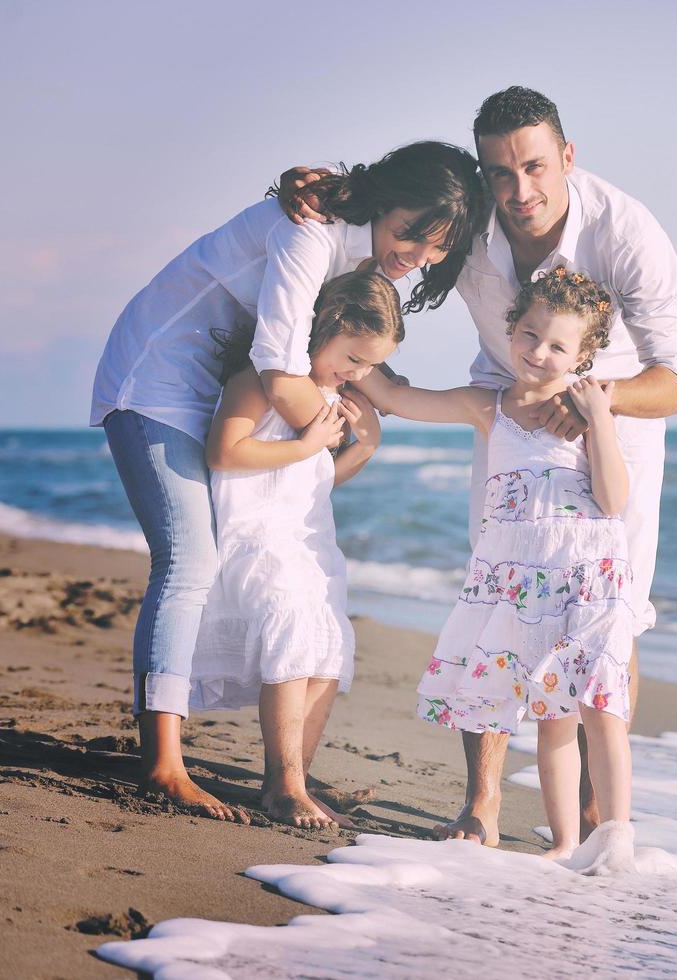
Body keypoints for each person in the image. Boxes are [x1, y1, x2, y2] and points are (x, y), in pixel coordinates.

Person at [280, 87, 677, 847]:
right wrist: (326, 193)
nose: (518, 191)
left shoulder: (627, 232)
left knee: (611, 616)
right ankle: (481, 804)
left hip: (614, 411)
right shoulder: (471, 221)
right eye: (499, 173)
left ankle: (600, 817)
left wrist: (593, 401)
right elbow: (397, 225)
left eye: (534, 167)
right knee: (500, 594)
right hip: (501, 411)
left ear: (567, 157)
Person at [93, 141, 488, 821]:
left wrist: (491, 411)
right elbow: (280, 370)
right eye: (410, 234)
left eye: (434, 250)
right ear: (385, 200)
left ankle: (286, 774)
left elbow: (372, 383)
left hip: (220, 387)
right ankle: (163, 764)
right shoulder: (312, 234)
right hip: (158, 379)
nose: (415, 256)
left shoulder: (361, 257)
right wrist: (327, 437)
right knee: (188, 561)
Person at [370, 268, 637, 871]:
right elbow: (397, 400)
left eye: (558, 346)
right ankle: (566, 844)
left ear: (584, 355)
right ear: (511, 330)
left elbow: (614, 498)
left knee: (601, 710)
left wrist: (599, 415)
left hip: (588, 578)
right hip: (522, 582)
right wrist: (348, 351)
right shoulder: (489, 405)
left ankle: (617, 838)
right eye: (528, 334)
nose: (538, 353)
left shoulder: (584, 410)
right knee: (550, 715)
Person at [191, 268, 398, 829]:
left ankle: (293, 780)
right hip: (258, 535)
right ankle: (284, 785)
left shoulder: (328, 398)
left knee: (329, 647)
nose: (357, 373)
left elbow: (313, 479)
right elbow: (225, 454)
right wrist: (309, 441)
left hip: (309, 537)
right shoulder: (262, 379)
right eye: (351, 357)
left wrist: (364, 448)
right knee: (290, 628)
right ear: (322, 328)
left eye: (368, 366)